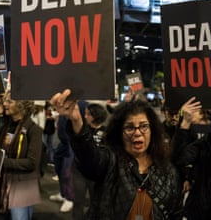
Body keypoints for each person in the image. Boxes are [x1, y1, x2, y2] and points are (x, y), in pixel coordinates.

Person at [50, 89, 183, 219]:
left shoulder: (168, 171)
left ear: (152, 130)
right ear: (119, 133)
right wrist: (77, 122)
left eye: (143, 126)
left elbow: (175, 213)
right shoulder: (110, 161)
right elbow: (90, 157)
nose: (137, 133)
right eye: (129, 127)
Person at [0, 91, 42, 220]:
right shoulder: (4, 126)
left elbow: (32, 163)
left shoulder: (34, 130)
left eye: (9, 101)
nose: (4, 104)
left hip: (23, 185)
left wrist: (2, 162)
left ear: (21, 105)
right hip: (4, 184)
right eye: (5, 100)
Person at [73, 102, 108, 220]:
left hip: (97, 173)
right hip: (79, 172)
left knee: (96, 202)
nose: (85, 116)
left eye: (88, 114)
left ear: (95, 116)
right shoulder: (82, 130)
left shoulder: (106, 132)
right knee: (78, 202)